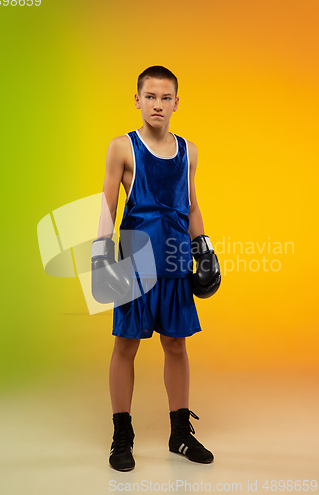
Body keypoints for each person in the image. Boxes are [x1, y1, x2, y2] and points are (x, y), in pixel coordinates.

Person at [91, 65, 221, 472]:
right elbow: (108, 206)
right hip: (135, 259)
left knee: (177, 345)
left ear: (176, 103)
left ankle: (180, 433)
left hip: (176, 259)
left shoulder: (189, 151)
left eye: (166, 98)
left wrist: (206, 250)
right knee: (126, 345)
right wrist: (99, 256)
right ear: (137, 99)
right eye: (150, 96)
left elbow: (193, 205)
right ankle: (121, 436)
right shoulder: (122, 147)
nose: (158, 105)